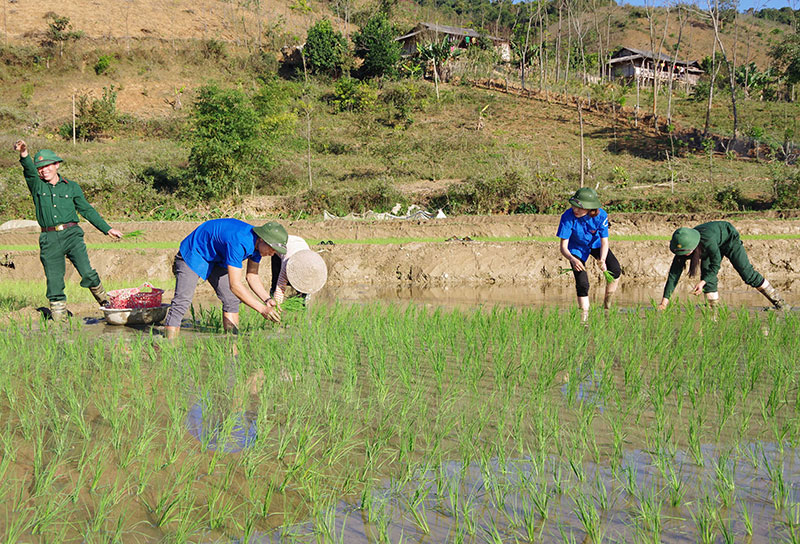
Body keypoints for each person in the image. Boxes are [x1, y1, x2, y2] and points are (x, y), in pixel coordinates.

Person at [13, 140, 123, 320]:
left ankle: (107, 304)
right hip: (49, 238)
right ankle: (60, 321)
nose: (44, 170)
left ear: (56, 165)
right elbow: (28, 170)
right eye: (40, 167)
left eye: (47, 165)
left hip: (72, 235)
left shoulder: (72, 187)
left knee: (87, 273)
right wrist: (24, 153)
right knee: (54, 281)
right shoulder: (37, 185)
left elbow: (86, 210)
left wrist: (107, 229)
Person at [163, 219, 289, 339]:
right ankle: (170, 343)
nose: (272, 253)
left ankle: (232, 341)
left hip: (218, 256)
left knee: (231, 300)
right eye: (272, 249)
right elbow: (235, 285)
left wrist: (267, 299)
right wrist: (262, 309)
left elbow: (252, 276)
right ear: (262, 239)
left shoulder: (258, 248)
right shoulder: (239, 241)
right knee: (182, 300)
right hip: (195, 250)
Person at [658, 221, 788, 311]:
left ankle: (780, 303)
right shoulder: (681, 250)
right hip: (711, 244)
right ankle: (713, 311)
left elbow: (715, 265)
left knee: (747, 274)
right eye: (682, 253)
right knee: (708, 278)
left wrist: (702, 282)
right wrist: (664, 303)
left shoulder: (707, 241)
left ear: (693, 246)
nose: (685, 255)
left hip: (728, 239)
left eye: (687, 252)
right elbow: (673, 275)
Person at [557, 187, 621, 321]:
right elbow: (563, 247)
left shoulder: (601, 215)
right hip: (576, 249)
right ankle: (584, 318)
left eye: (579, 208)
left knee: (615, 270)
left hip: (596, 244)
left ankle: (606, 306)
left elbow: (604, 242)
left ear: (590, 208)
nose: (575, 210)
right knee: (582, 283)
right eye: (574, 206)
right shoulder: (567, 217)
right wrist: (572, 259)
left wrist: (602, 260)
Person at [269, 234, 328, 307]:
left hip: (300, 244)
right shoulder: (287, 264)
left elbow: (309, 284)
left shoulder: (312, 264)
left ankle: (303, 303)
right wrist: (277, 306)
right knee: (275, 282)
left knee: (304, 292)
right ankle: (271, 300)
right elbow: (280, 287)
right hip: (280, 247)